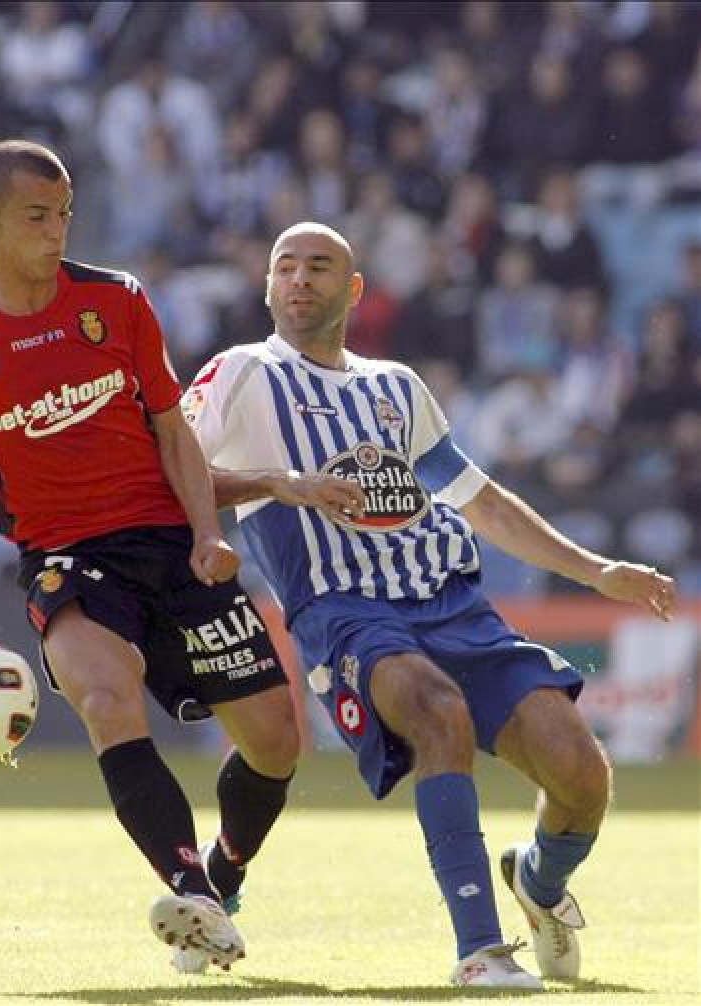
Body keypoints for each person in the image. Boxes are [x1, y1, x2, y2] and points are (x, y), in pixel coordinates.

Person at [0, 140, 301, 974]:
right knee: (102, 699)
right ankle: (189, 889)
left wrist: (205, 534)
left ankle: (222, 878)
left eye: (64, 215)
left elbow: (173, 428)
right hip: (65, 557)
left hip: (167, 540)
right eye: (35, 217)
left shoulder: (116, 301)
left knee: (275, 743)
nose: (56, 233)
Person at [182, 221, 677, 989]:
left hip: (456, 605)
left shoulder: (395, 386)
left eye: (319, 267)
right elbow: (168, 472)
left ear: (353, 291)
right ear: (267, 286)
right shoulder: (242, 375)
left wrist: (595, 569)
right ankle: (480, 950)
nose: (299, 278)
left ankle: (539, 886)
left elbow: (480, 499)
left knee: (582, 775)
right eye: (285, 266)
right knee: (435, 710)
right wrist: (277, 484)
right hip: (346, 610)